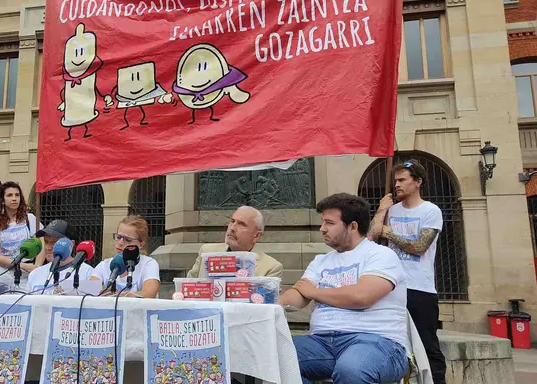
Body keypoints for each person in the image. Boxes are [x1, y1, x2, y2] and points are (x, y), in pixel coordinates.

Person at [280, 193, 408, 383]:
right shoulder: (320, 261)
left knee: (351, 369)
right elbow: (299, 294)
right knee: (275, 357)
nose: (322, 229)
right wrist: (271, 302)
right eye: (323, 222)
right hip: (322, 342)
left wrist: (314, 292)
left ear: (353, 226)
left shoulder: (381, 255)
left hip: (376, 341)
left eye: (330, 223)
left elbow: (361, 296)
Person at [368, 159, 446, 383]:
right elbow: (371, 238)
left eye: (402, 180)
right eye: (395, 180)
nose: (397, 184)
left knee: (427, 344)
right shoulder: (391, 210)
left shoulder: (431, 211)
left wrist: (389, 232)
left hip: (419, 288)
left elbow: (420, 247)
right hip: (391, 287)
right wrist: (382, 209)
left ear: (418, 182)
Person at [186, 206, 283, 278]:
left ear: (256, 236)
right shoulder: (206, 251)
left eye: (241, 224)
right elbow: (187, 288)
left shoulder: (271, 268)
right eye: (232, 221)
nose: (232, 228)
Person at [0, 181, 45, 292]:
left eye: (17, 195)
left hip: (26, 276)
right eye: (9, 195)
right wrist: (21, 265)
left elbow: (41, 245)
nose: (14, 198)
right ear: (2, 200)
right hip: (1, 274)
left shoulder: (30, 219)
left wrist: (36, 268)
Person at [90, 215, 160, 298]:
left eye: (127, 240)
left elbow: (149, 294)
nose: (120, 242)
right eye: (119, 237)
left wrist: (117, 296)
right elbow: (88, 291)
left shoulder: (148, 264)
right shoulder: (104, 265)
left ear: (141, 244)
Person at [24, 219, 95, 294]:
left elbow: (92, 303)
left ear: (71, 244)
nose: (48, 247)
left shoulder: (88, 273)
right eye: (46, 242)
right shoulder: (35, 274)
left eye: (55, 242)